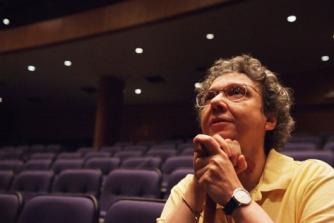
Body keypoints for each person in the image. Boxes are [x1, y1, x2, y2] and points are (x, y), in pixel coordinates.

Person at [157, 55, 334, 223]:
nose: (215, 101)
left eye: (236, 92)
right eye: (210, 96)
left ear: (270, 119)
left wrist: (233, 195)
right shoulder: (186, 187)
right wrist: (196, 191)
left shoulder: (314, 179)